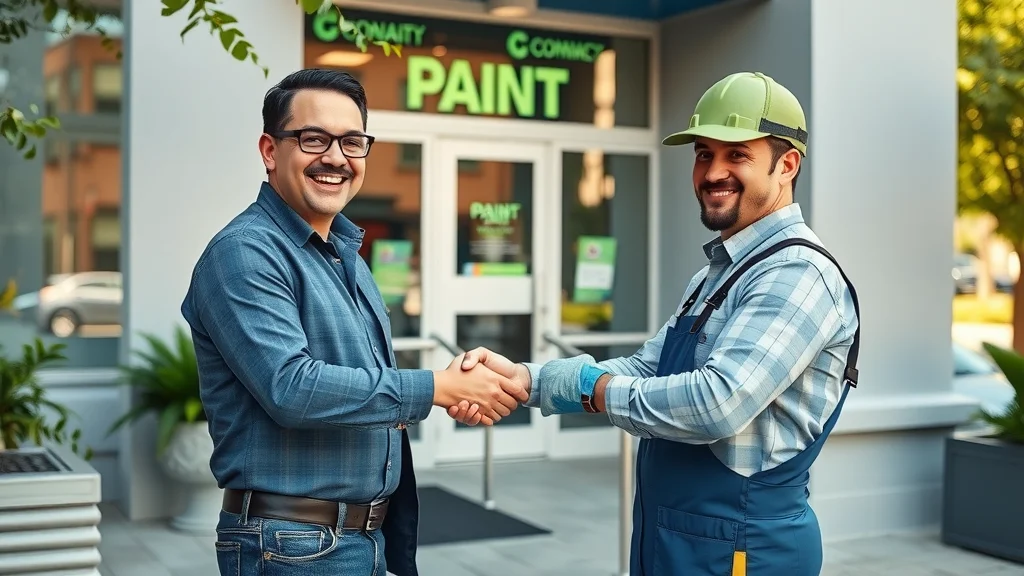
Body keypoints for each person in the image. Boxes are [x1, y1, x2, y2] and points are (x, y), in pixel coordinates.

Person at [455, 71, 861, 576]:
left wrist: (592, 388)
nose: (713, 172)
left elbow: (718, 403)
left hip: (742, 550)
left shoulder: (798, 273)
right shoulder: (720, 273)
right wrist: (529, 380)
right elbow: (649, 367)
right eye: (703, 154)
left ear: (787, 165)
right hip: (676, 539)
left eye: (737, 155)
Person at [180, 68, 527, 576]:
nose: (336, 158)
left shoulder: (345, 254)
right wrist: (436, 387)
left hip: (363, 539)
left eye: (352, 141)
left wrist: (452, 395)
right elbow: (291, 388)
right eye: (314, 138)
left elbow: (357, 390)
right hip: (293, 545)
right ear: (270, 151)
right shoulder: (244, 253)